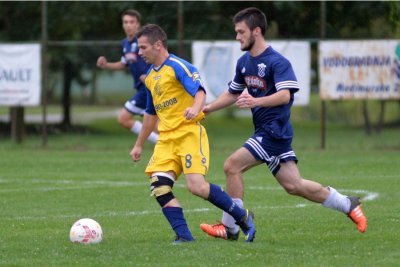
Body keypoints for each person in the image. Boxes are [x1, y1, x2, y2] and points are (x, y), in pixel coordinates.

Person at [199, 7, 368, 241]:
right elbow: (232, 92)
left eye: (241, 32)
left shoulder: (277, 62)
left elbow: (285, 96)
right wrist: (208, 108)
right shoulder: (244, 62)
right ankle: (347, 204)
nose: (237, 37)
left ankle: (231, 227)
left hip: (274, 131)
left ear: (256, 31)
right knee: (294, 185)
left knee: (232, 166)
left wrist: (255, 100)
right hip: (267, 131)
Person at [129, 24, 256, 244]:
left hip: (189, 134)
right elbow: (150, 113)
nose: (140, 53)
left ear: (158, 45)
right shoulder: (150, 77)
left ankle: (241, 216)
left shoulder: (179, 66)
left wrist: (195, 109)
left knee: (196, 186)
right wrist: (139, 144)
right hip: (166, 140)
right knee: (159, 187)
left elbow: (200, 92)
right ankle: (184, 237)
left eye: (143, 47)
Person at [97, 9, 158, 143]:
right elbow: (124, 63)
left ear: (138, 24)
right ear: (122, 24)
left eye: (132, 22)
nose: (128, 25)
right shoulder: (125, 43)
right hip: (143, 89)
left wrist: (150, 76)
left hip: (147, 88)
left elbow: (158, 58)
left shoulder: (143, 42)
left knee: (123, 118)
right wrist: (106, 65)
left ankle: (162, 144)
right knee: (156, 126)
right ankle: (170, 145)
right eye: (125, 22)